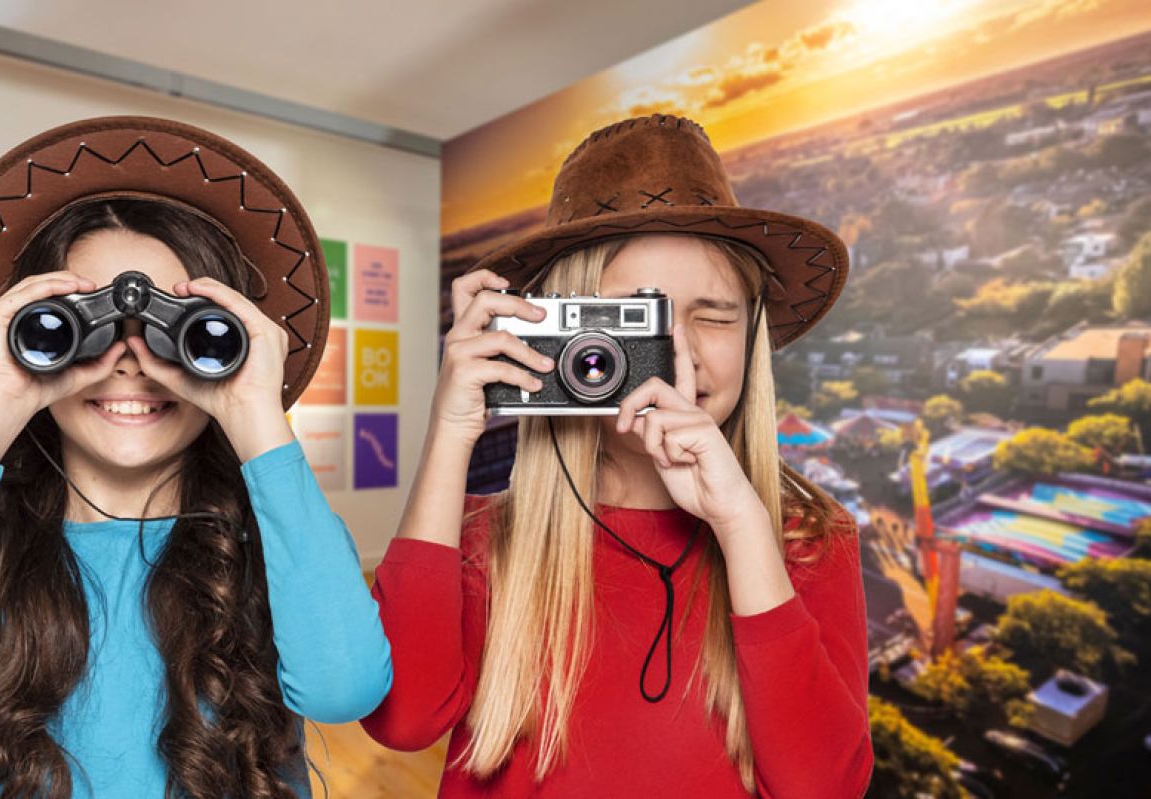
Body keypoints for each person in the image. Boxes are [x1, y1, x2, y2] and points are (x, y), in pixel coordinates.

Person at [0, 117, 391, 799]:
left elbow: (342, 687)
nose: (129, 362)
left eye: (177, 332)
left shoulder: (277, 537)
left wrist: (259, 420)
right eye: (75, 324)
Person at [361, 114, 872, 797]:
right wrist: (450, 433)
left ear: (751, 341)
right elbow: (401, 720)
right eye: (635, 319)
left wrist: (745, 531)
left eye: (714, 315)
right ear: (557, 340)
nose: (676, 350)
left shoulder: (807, 540)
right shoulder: (484, 538)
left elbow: (825, 786)